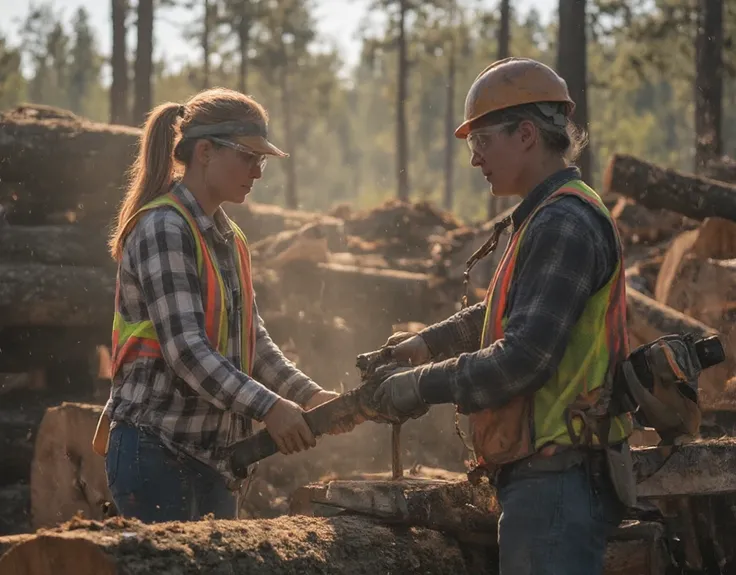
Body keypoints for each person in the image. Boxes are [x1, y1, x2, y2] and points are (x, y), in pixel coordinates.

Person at [370, 58, 631, 575]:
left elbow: (524, 358)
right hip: (549, 475)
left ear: (527, 134)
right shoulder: (547, 214)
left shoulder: (563, 222)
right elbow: (503, 312)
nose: (475, 160)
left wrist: (417, 386)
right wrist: (424, 344)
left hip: (558, 478)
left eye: (483, 142)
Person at [95, 87, 340, 523]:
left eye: (261, 161)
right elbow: (187, 350)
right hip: (156, 451)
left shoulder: (230, 238)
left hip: (214, 460)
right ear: (205, 152)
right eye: (248, 158)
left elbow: (255, 344)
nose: (257, 172)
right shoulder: (164, 228)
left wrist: (310, 396)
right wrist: (269, 407)